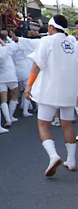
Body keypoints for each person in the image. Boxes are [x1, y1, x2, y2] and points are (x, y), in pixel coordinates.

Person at [24, 15, 78, 177]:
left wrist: (29, 86)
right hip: (70, 90)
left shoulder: (47, 41)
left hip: (49, 90)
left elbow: (36, 65)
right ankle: (72, 160)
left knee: (43, 126)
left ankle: (53, 156)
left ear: (52, 28)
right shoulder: (74, 43)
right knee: (67, 125)